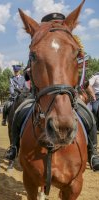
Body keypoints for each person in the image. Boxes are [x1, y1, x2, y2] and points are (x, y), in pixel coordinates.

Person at [5, 12, 99, 172]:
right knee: (19, 112)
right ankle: (14, 146)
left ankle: (93, 152)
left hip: (69, 94)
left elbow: (79, 69)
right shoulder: (39, 44)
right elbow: (29, 71)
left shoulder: (69, 45)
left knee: (88, 114)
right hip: (41, 94)